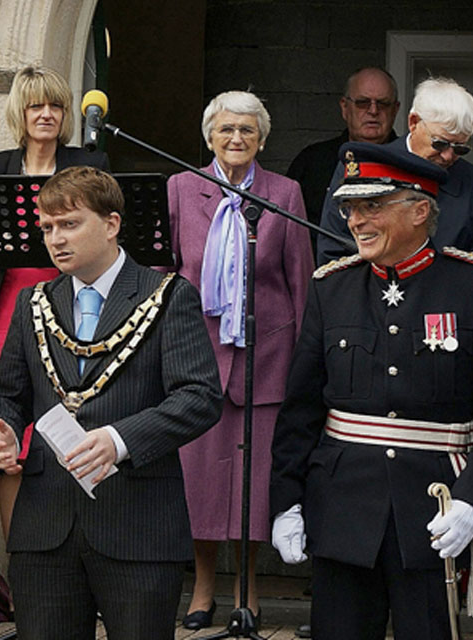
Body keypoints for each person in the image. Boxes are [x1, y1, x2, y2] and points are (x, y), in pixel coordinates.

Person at [271, 141, 473, 640]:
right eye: (349, 208)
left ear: (419, 209)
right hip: (342, 509)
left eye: (371, 206)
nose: (355, 221)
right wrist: (286, 502)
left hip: (432, 512)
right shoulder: (332, 288)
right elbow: (300, 411)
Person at [0, 166, 224, 640]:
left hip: (138, 524)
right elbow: (4, 395)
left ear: (111, 224)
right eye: (47, 227)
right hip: (46, 527)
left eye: (69, 224)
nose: (55, 239)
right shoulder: (33, 302)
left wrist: (119, 440)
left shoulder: (168, 296)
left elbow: (199, 398)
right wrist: (0, 430)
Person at [166, 90, 313, 630]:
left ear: (262, 139)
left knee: (255, 481)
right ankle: (202, 587)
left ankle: (247, 588)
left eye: (247, 131)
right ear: (209, 136)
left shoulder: (285, 193)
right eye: (226, 129)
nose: (236, 139)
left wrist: (303, 362)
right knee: (200, 479)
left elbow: (300, 280)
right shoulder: (182, 189)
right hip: (198, 359)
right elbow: (168, 274)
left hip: (266, 357)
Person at [0, 65, 107, 537]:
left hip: (73, 308)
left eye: (55, 105)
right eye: (35, 106)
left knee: (78, 428)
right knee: (11, 443)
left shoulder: (89, 164)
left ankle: (76, 554)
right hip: (9, 307)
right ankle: (20, 567)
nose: (46, 114)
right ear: (19, 113)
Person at [317, 77, 473, 267]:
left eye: (460, 148)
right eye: (440, 143)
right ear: (413, 122)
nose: (448, 156)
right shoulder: (365, 166)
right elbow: (333, 250)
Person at [287, 67, 400, 228]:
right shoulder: (311, 162)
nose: (373, 111)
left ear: (395, 110)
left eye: (383, 103)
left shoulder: (410, 161)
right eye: (363, 103)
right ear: (345, 107)